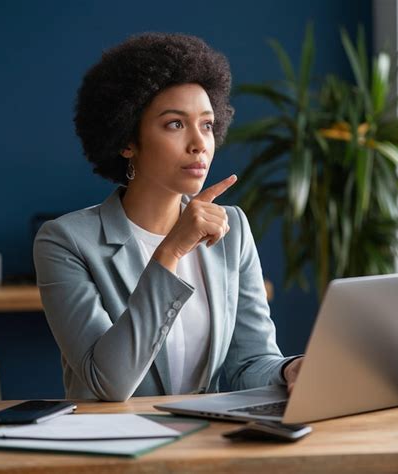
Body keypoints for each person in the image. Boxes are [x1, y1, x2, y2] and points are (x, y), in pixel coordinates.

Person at [33, 32, 303, 401]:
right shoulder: (64, 241)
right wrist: (170, 251)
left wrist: (290, 369)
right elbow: (107, 382)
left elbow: (249, 364)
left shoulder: (232, 229)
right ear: (127, 141)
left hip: (205, 445)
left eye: (207, 124)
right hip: (114, 449)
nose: (199, 143)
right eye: (175, 124)